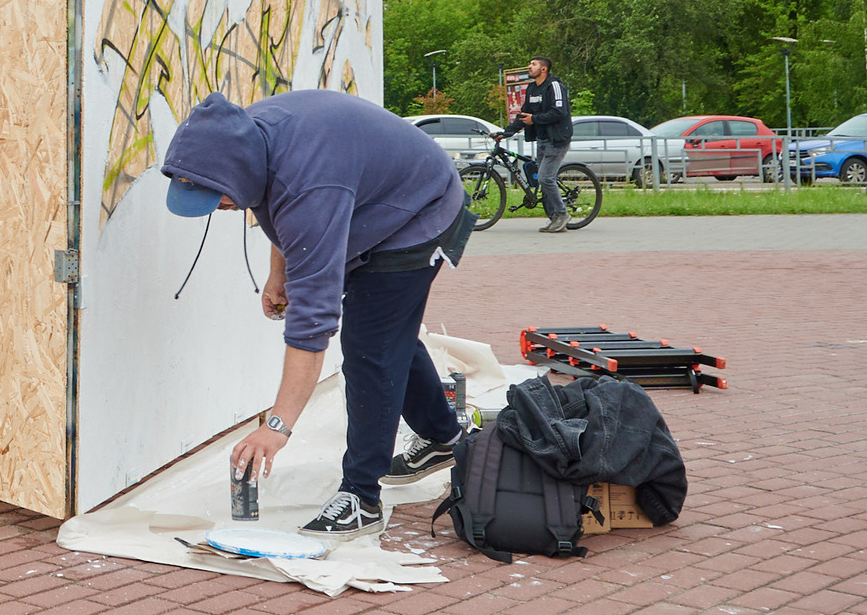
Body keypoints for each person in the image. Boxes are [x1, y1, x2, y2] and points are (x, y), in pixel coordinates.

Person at [160, 88, 476, 536]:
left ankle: (361, 496)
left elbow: (311, 326)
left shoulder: (310, 184)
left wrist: (277, 426)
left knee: (368, 348)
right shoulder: (242, 139)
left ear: (235, 173)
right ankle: (443, 437)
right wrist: (279, 274)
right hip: (367, 195)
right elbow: (277, 202)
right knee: (386, 333)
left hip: (422, 211)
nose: (222, 208)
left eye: (221, 199)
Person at [508, 56, 573, 234]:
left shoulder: (554, 86)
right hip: (542, 138)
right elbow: (525, 115)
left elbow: (559, 111)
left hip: (557, 139)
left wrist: (534, 119)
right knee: (543, 180)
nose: (529, 66)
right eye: (530, 63)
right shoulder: (531, 88)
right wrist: (505, 132)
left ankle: (562, 213)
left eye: (533, 64)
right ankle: (554, 219)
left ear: (543, 69)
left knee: (545, 178)